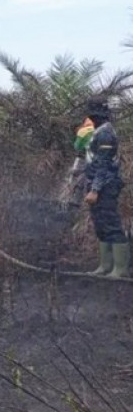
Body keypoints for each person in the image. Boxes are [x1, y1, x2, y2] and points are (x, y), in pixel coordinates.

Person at [83, 97, 130, 277]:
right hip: (97, 183)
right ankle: (105, 265)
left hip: (106, 185)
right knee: (101, 224)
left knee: (111, 223)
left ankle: (120, 269)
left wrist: (95, 190)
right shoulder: (98, 132)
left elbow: (103, 164)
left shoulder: (105, 134)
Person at [66, 117, 95, 208]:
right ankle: (76, 201)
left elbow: (78, 147)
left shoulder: (84, 131)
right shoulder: (95, 128)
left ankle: (74, 202)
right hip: (95, 159)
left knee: (78, 179)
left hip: (87, 159)